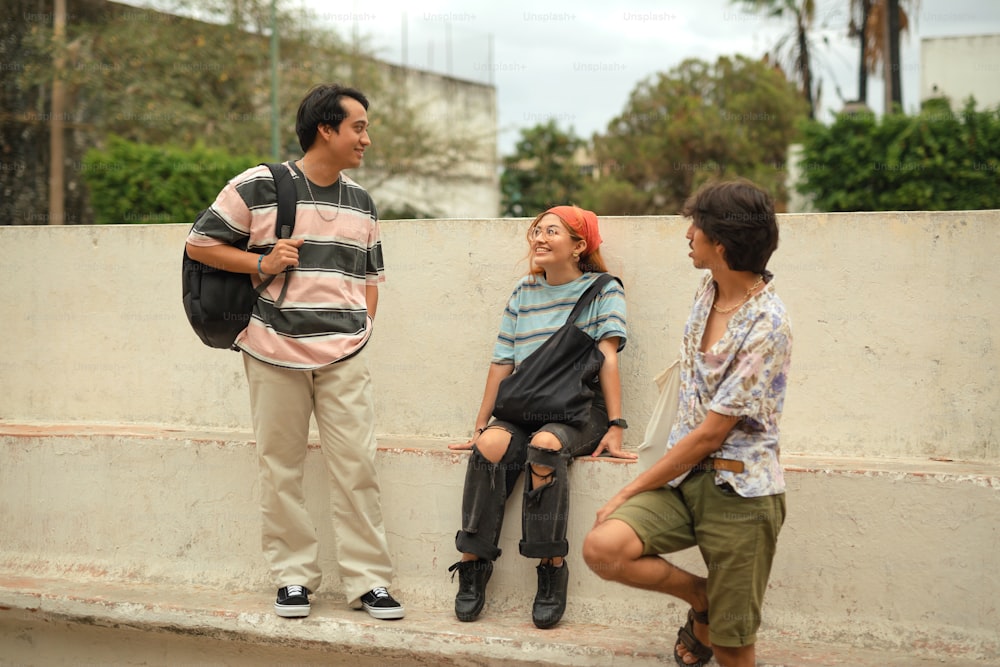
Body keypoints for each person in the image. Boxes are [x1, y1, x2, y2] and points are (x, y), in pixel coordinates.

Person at [184, 84, 404, 621]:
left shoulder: (362, 201)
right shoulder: (260, 185)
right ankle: (292, 579)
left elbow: (371, 276)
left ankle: (369, 581)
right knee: (280, 466)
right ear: (326, 129)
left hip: (343, 355)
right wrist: (262, 264)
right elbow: (200, 242)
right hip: (271, 347)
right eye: (358, 127)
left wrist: (360, 327)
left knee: (357, 466)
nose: (366, 139)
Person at [582, 179, 792, 667]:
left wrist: (627, 491)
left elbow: (712, 433)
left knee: (732, 650)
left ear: (720, 244)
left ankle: (715, 618)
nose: (687, 234)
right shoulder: (708, 289)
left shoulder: (768, 324)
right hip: (684, 479)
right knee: (604, 547)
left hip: (740, 494)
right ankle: (702, 597)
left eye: (696, 226)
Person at [447, 205, 634, 630]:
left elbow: (607, 359)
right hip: (522, 408)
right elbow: (501, 364)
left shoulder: (604, 290)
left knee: (545, 447)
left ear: (579, 246)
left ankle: (550, 567)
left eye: (552, 232)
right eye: (536, 231)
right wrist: (481, 425)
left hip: (579, 410)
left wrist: (617, 426)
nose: (539, 238)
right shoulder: (523, 292)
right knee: (491, 445)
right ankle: (473, 562)